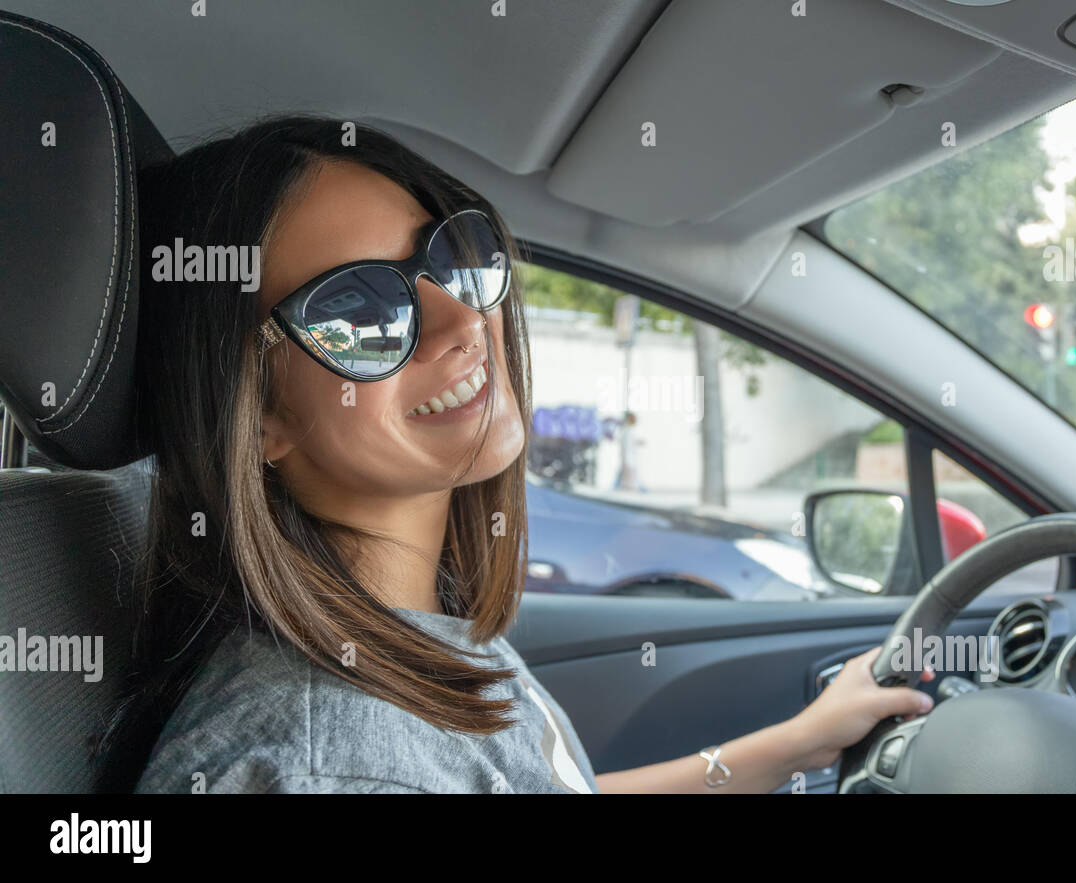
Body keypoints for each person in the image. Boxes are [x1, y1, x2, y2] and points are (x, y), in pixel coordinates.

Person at [116, 116, 933, 794]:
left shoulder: (403, 637)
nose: (462, 322)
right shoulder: (330, 764)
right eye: (358, 312)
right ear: (253, 415)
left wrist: (793, 744)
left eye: (451, 257)